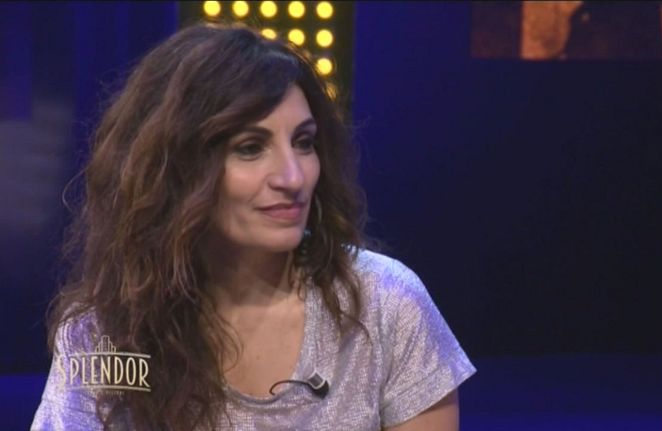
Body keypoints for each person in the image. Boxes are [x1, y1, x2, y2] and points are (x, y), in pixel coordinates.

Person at [31, 23, 475, 430]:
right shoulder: (106, 332)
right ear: (177, 170)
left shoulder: (385, 303)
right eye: (250, 147)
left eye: (304, 142)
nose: (293, 178)